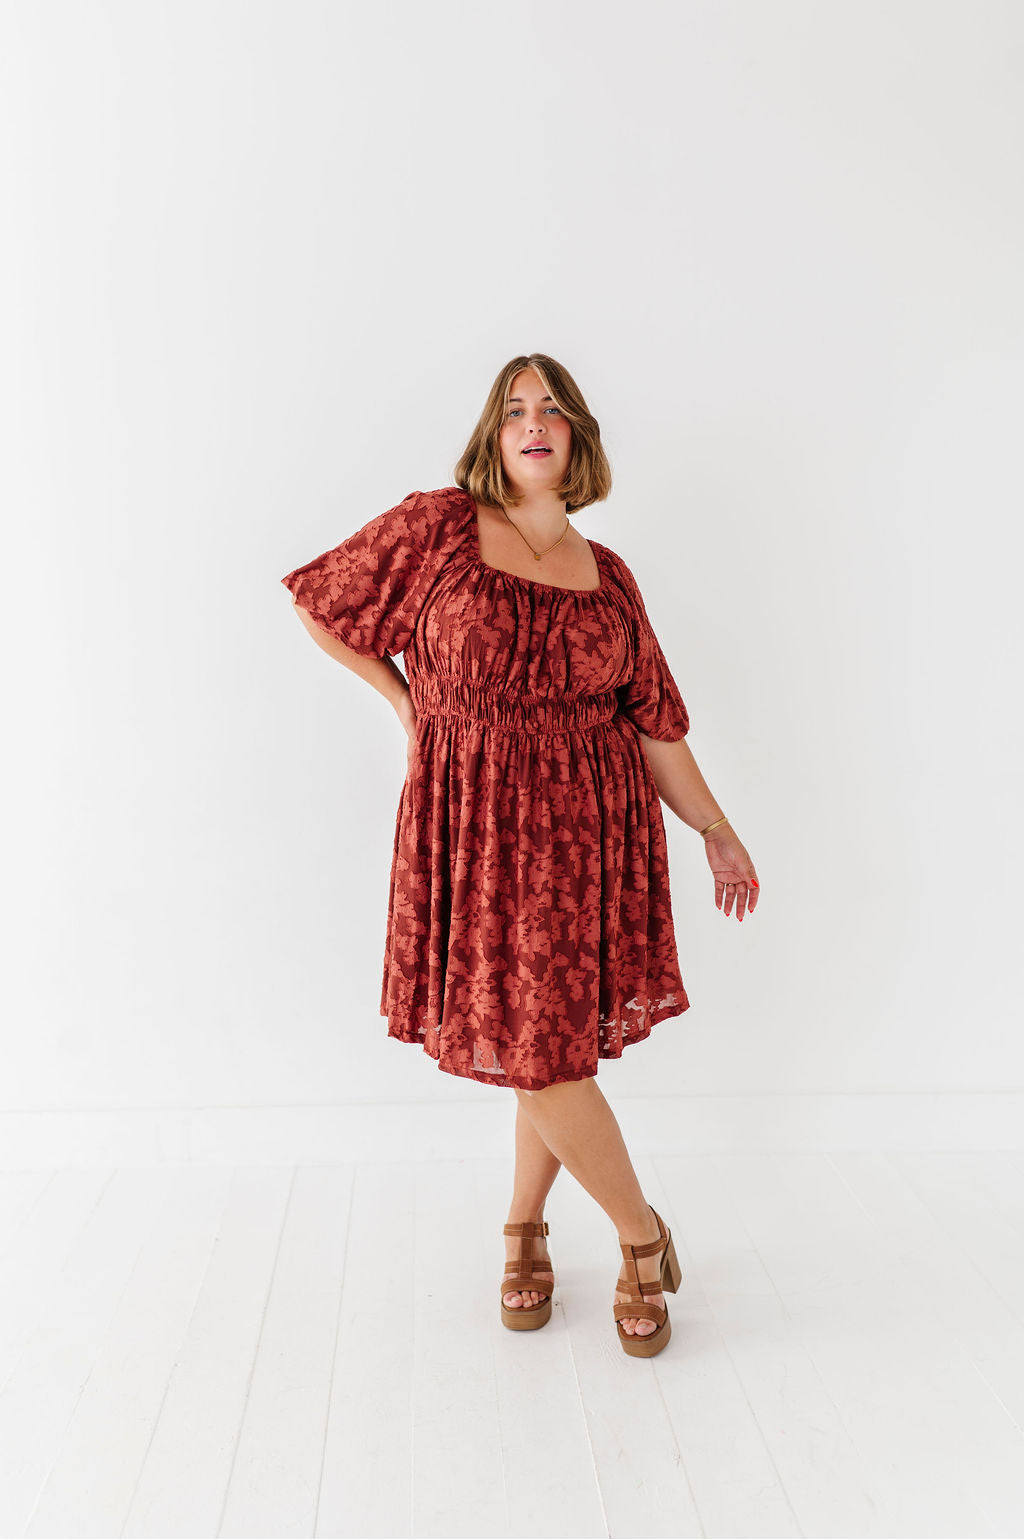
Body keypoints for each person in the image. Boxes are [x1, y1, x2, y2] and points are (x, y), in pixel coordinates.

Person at [281, 353, 759, 1358]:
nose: (532, 424)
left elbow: (655, 722)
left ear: (577, 435)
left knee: (544, 1048)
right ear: (492, 437)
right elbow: (321, 604)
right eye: (513, 411)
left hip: (588, 837)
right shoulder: (439, 528)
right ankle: (642, 1234)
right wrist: (406, 704)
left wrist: (715, 829)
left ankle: (524, 1231)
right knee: (537, 1047)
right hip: (477, 828)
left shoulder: (609, 576)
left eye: (550, 409)